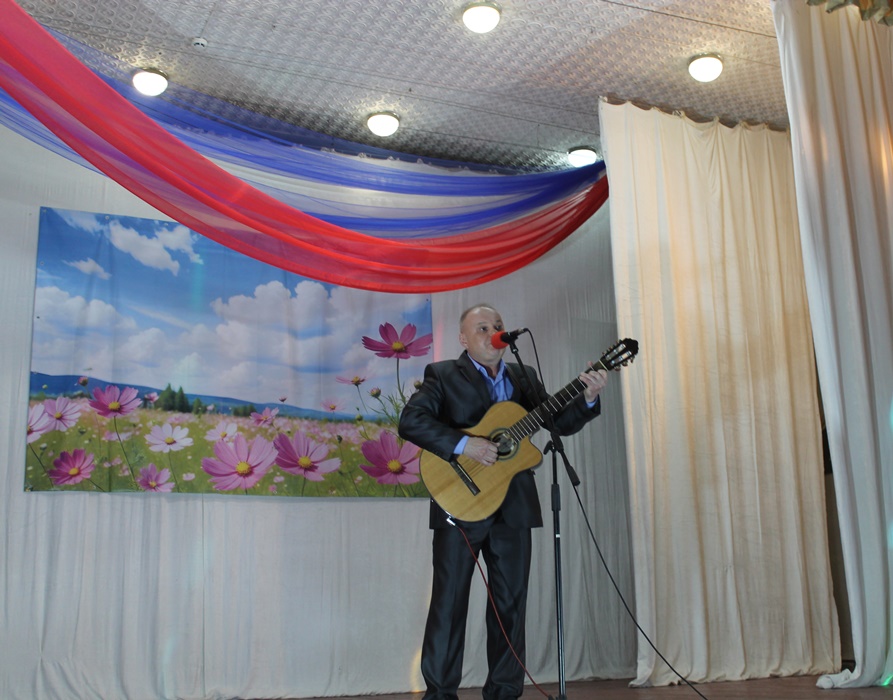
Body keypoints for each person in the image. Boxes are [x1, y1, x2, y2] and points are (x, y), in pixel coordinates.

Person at [398, 303, 608, 700]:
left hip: (514, 505)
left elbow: (558, 423)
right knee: (449, 603)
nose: (492, 332)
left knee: (511, 605)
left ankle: (505, 691)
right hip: (459, 501)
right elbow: (411, 421)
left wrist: (588, 397)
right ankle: (440, 694)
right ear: (463, 338)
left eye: (497, 325)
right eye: (481, 328)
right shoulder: (442, 374)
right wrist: (466, 445)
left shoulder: (523, 376)